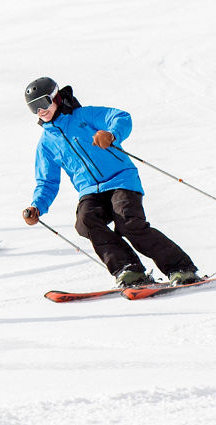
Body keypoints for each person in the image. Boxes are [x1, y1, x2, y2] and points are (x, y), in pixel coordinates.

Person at [21, 76, 199, 287]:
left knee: (128, 222)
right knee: (85, 221)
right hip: (90, 190)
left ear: (56, 98)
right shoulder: (46, 144)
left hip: (121, 179)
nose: (41, 111)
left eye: (43, 103)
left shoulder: (84, 116)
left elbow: (122, 117)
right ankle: (129, 269)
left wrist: (112, 135)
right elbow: (47, 182)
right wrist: (37, 206)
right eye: (34, 108)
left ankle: (180, 268)